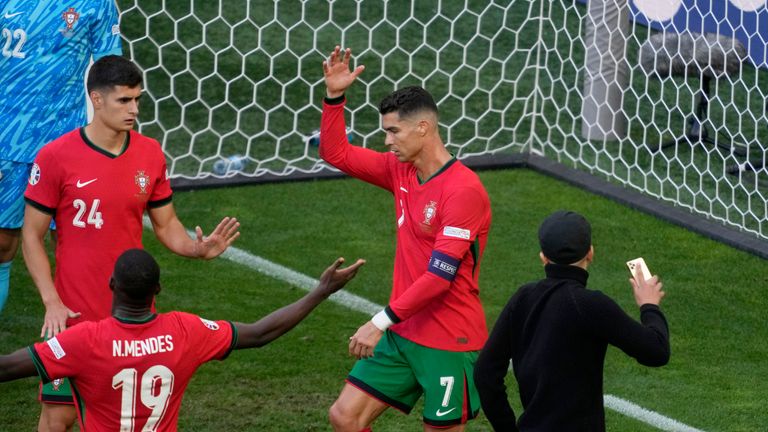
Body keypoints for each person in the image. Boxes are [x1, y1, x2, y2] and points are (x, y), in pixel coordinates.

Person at [22, 55, 241, 432]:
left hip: (130, 321)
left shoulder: (149, 153)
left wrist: (195, 248)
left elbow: (166, 223)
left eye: (138, 99)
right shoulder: (56, 157)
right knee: (58, 416)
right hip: (72, 317)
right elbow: (31, 235)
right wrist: (51, 300)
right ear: (96, 98)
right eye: (124, 100)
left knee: (127, 419)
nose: (134, 109)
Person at [0, 248, 366, 431]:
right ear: (157, 289)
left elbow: (8, 367)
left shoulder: (85, 341)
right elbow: (260, 333)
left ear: (112, 286)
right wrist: (320, 292)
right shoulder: (183, 332)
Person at [320, 46, 492, 431]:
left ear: (423, 128)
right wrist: (334, 97)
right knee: (344, 417)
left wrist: (379, 321)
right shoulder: (400, 170)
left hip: (449, 339)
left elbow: (439, 277)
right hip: (404, 331)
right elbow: (336, 153)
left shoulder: (463, 191)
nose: (387, 141)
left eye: (393, 131)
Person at [473, 210, 670, 431]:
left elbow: (485, 372)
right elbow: (656, 351)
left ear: (543, 257)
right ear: (591, 253)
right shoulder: (591, 305)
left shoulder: (523, 297)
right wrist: (649, 306)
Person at [0, 0, 122, 313]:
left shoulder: (97, 4)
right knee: (3, 243)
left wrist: (113, 138)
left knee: (72, 247)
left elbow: (111, 72)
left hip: (65, 145)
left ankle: (77, 345)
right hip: (7, 140)